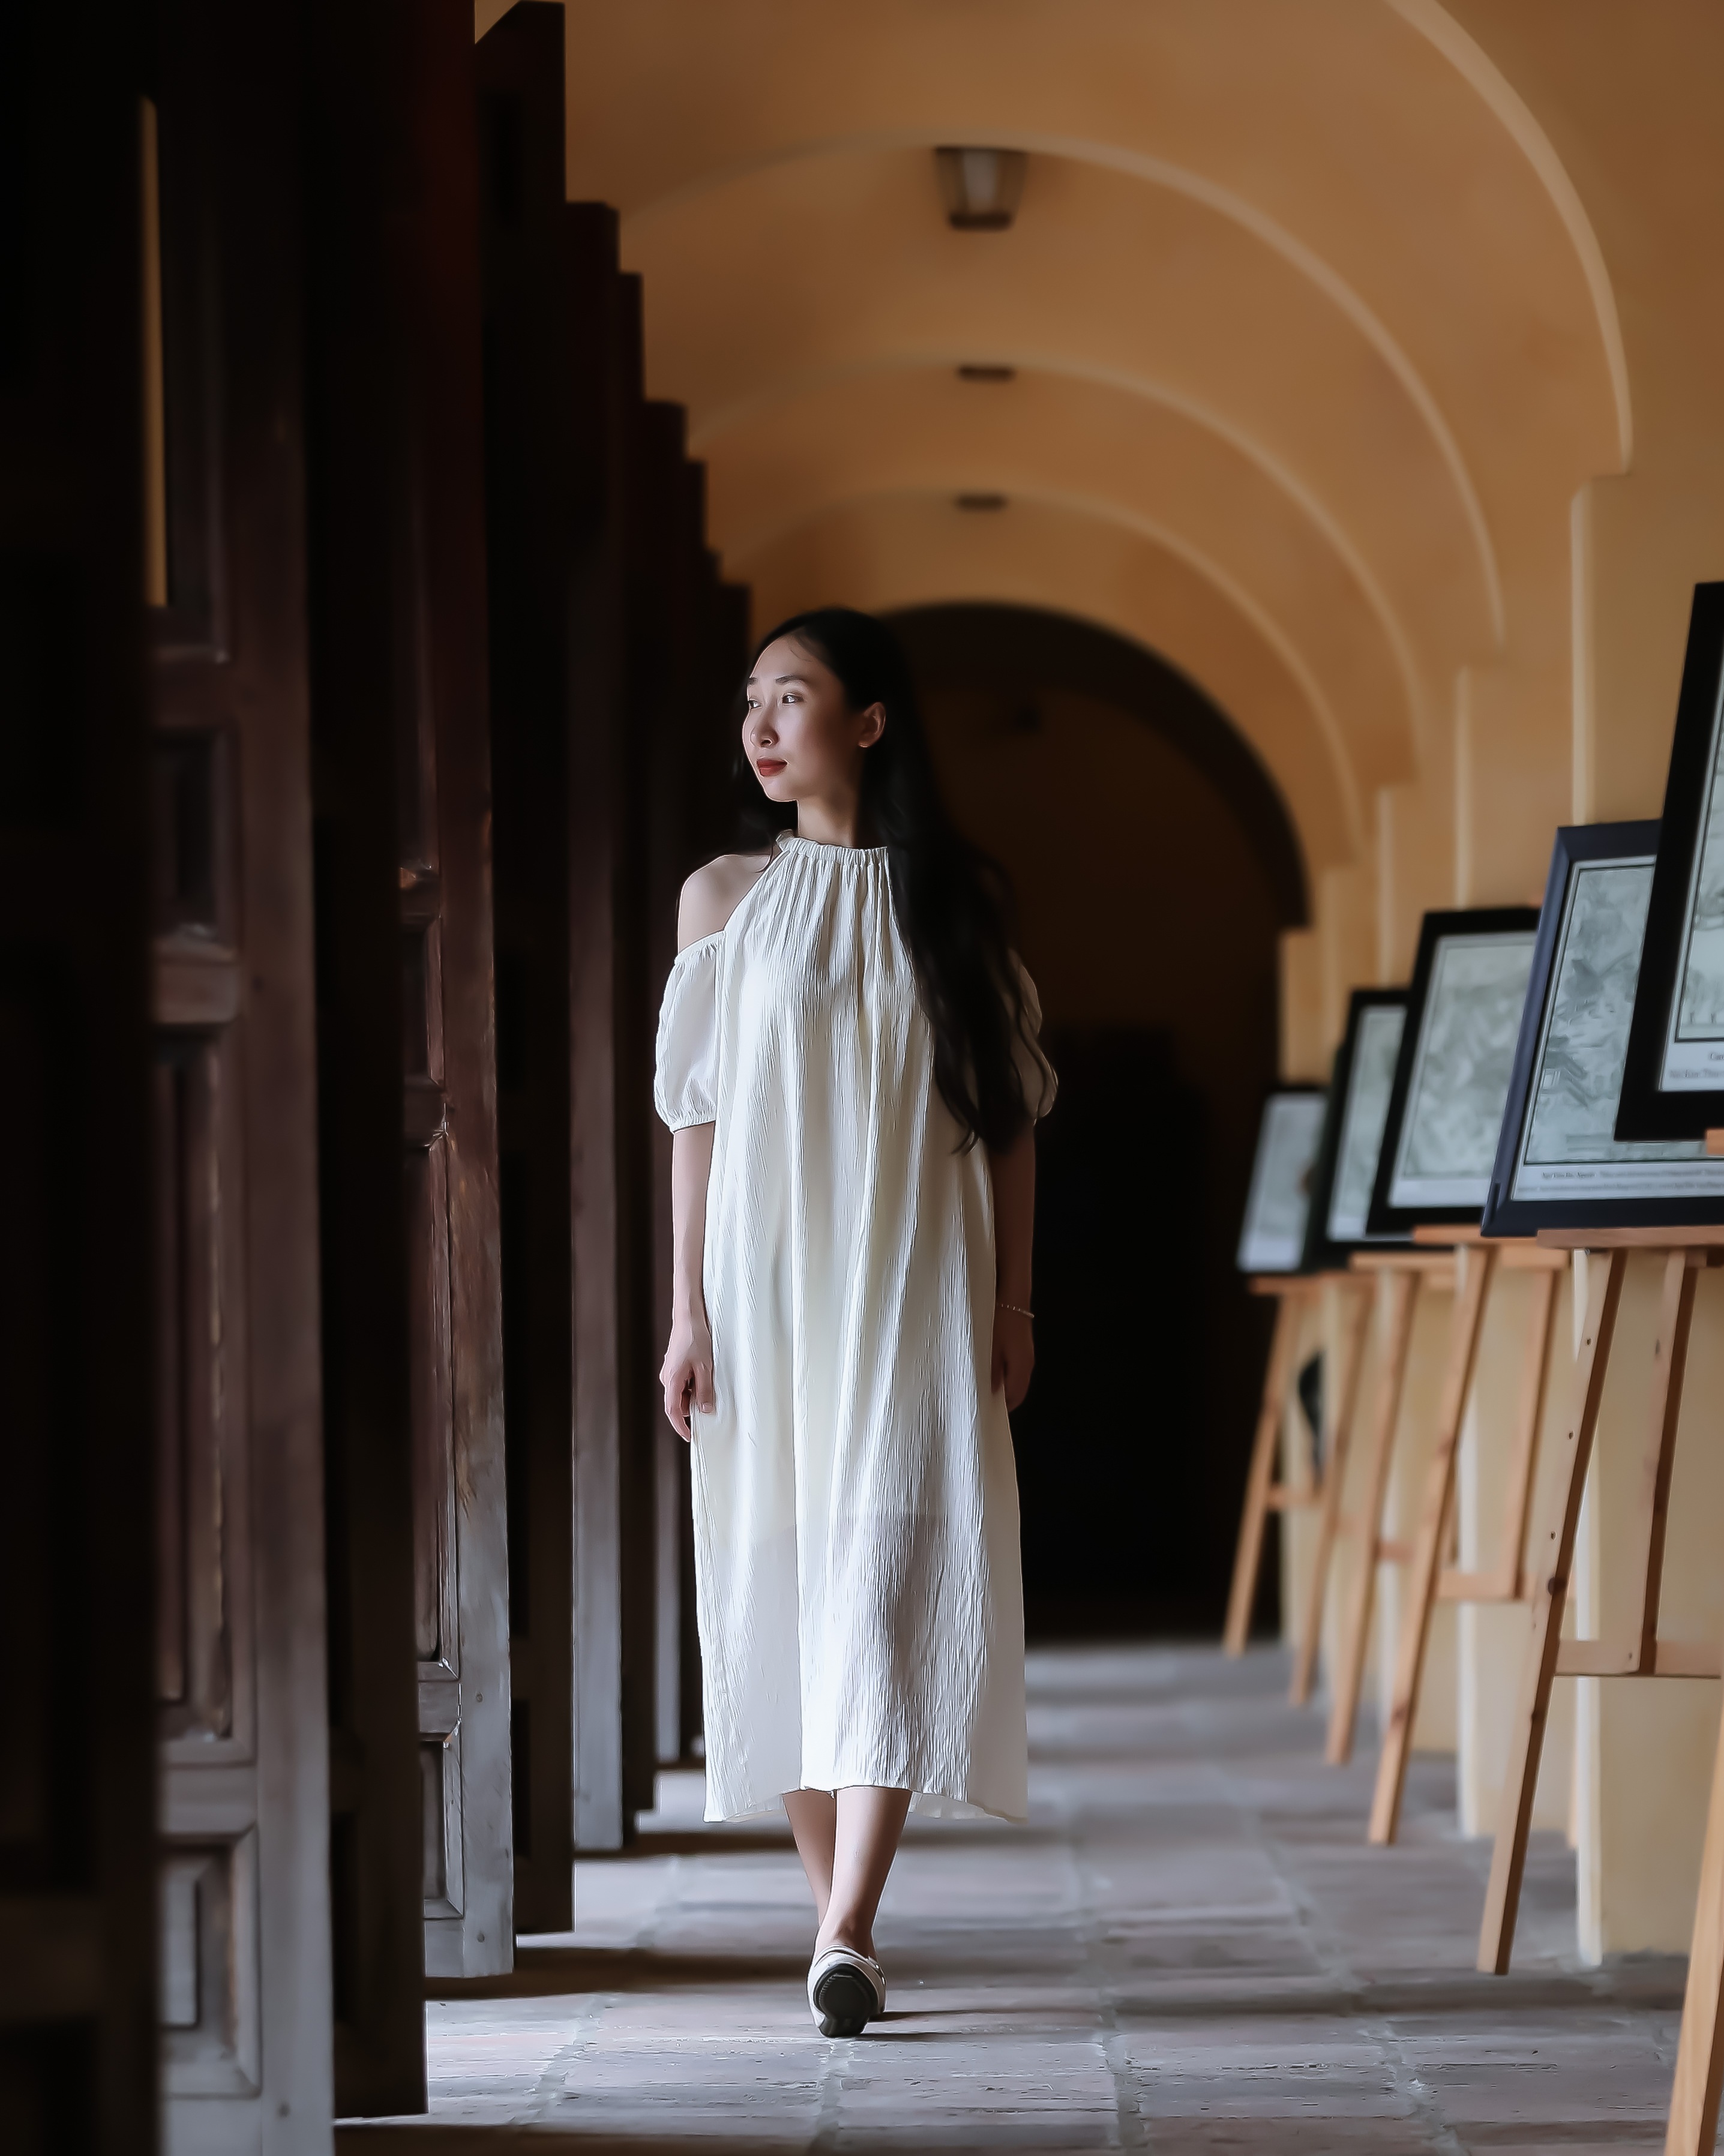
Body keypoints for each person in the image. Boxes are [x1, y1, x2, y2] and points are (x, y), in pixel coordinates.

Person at [652, 607, 1056, 2040]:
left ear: (869, 721)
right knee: (780, 1599)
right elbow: (693, 1117)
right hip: (766, 1298)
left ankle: (849, 1925)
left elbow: (1009, 1120)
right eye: (751, 699)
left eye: (794, 697)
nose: (762, 726)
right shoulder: (720, 902)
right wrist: (685, 1306)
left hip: (911, 1286)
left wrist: (1011, 1299)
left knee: (885, 1581)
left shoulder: (958, 904)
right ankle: (841, 1931)